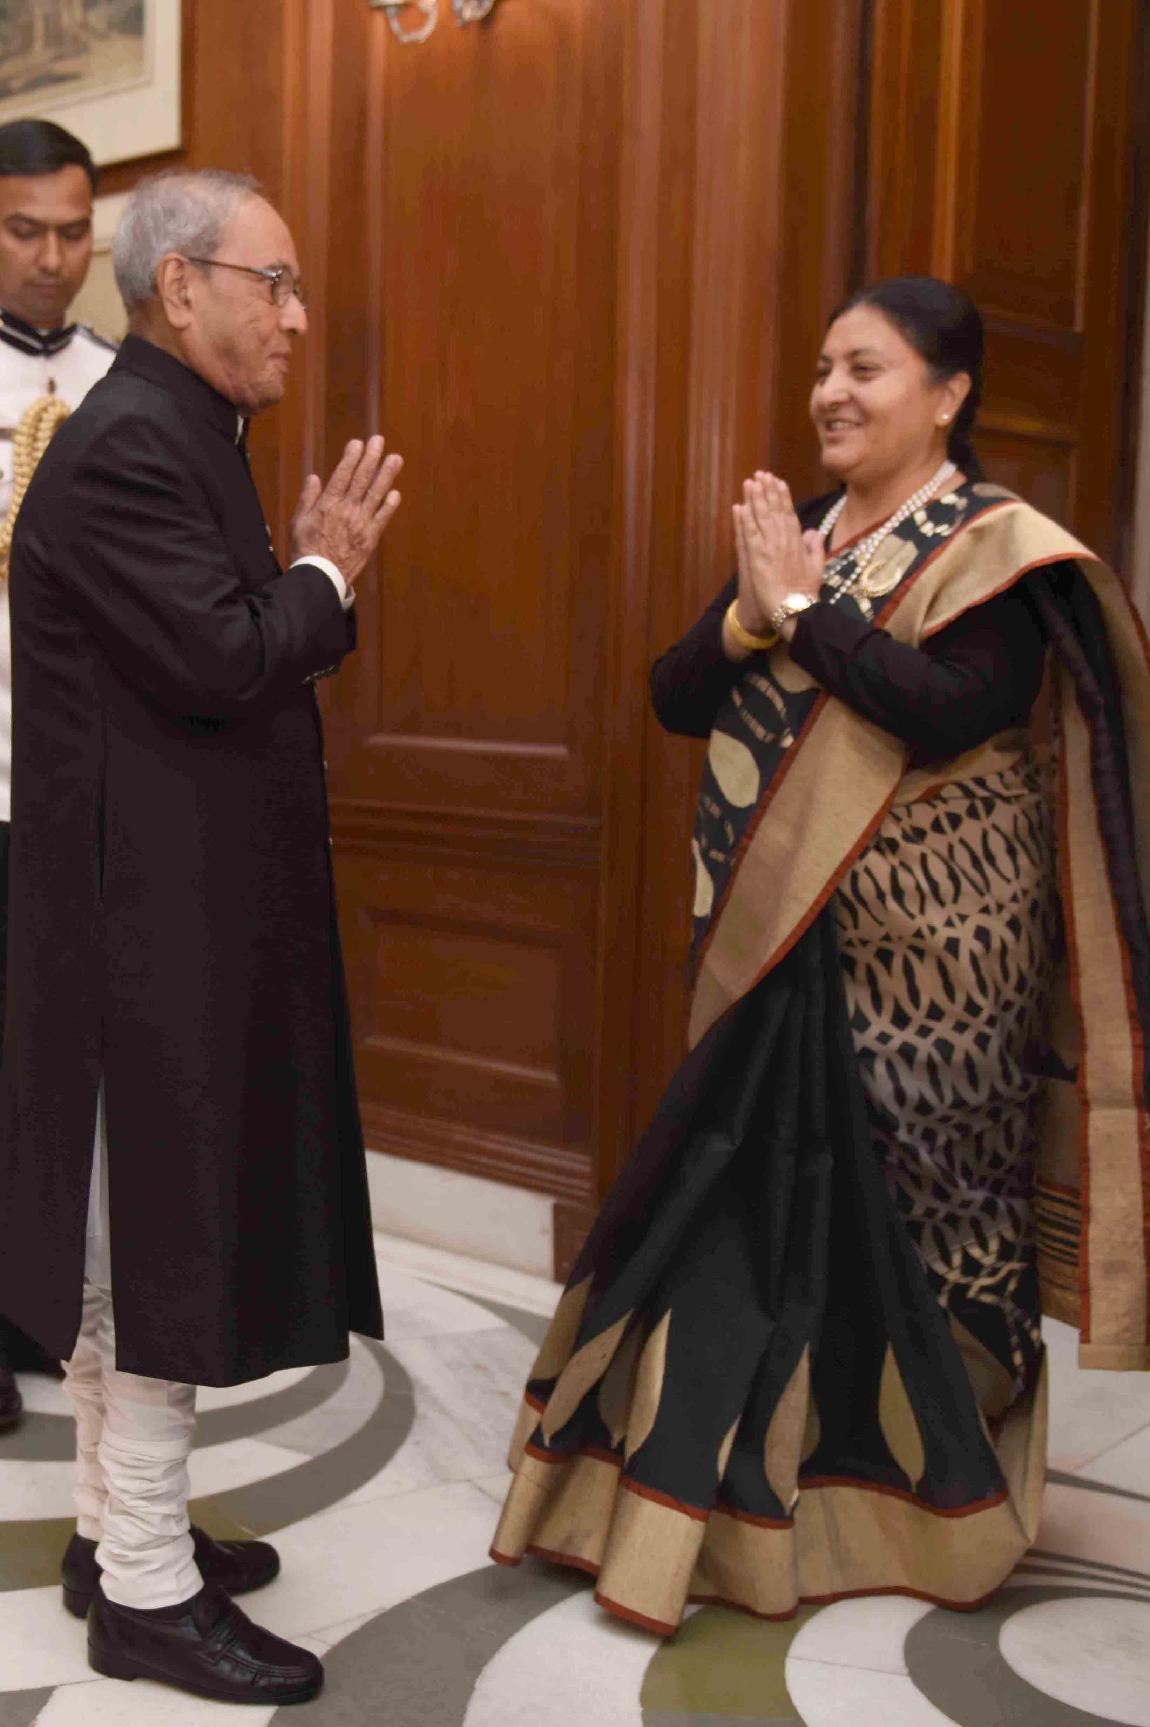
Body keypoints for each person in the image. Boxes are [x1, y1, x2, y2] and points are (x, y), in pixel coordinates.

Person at [491, 276, 1150, 1635]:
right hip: (779, 941)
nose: (830, 394)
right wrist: (753, 612)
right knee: (738, 1207)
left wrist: (804, 615)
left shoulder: (998, 553)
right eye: (823, 369)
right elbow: (677, 695)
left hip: (937, 975)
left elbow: (952, 710)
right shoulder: (797, 531)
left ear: (948, 395)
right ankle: (708, 1508)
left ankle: (916, 1501)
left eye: (866, 369)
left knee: (912, 1236)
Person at [0, 167, 402, 1706]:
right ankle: (148, 1597)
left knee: (135, 1251)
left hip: (160, 919)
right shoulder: (132, 447)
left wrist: (301, 575)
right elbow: (229, 657)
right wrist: (326, 571)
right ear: (182, 288)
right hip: (137, 936)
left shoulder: (176, 431)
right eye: (272, 282)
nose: (297, 314)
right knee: (153, 1257)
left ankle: (115, 1535)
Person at [0, 119, 117, 1428]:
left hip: (83, 787)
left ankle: (36, 1304)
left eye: (74, 231)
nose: (51, 257)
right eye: (23, 230)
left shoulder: (124, 382)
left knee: (57, 1063)